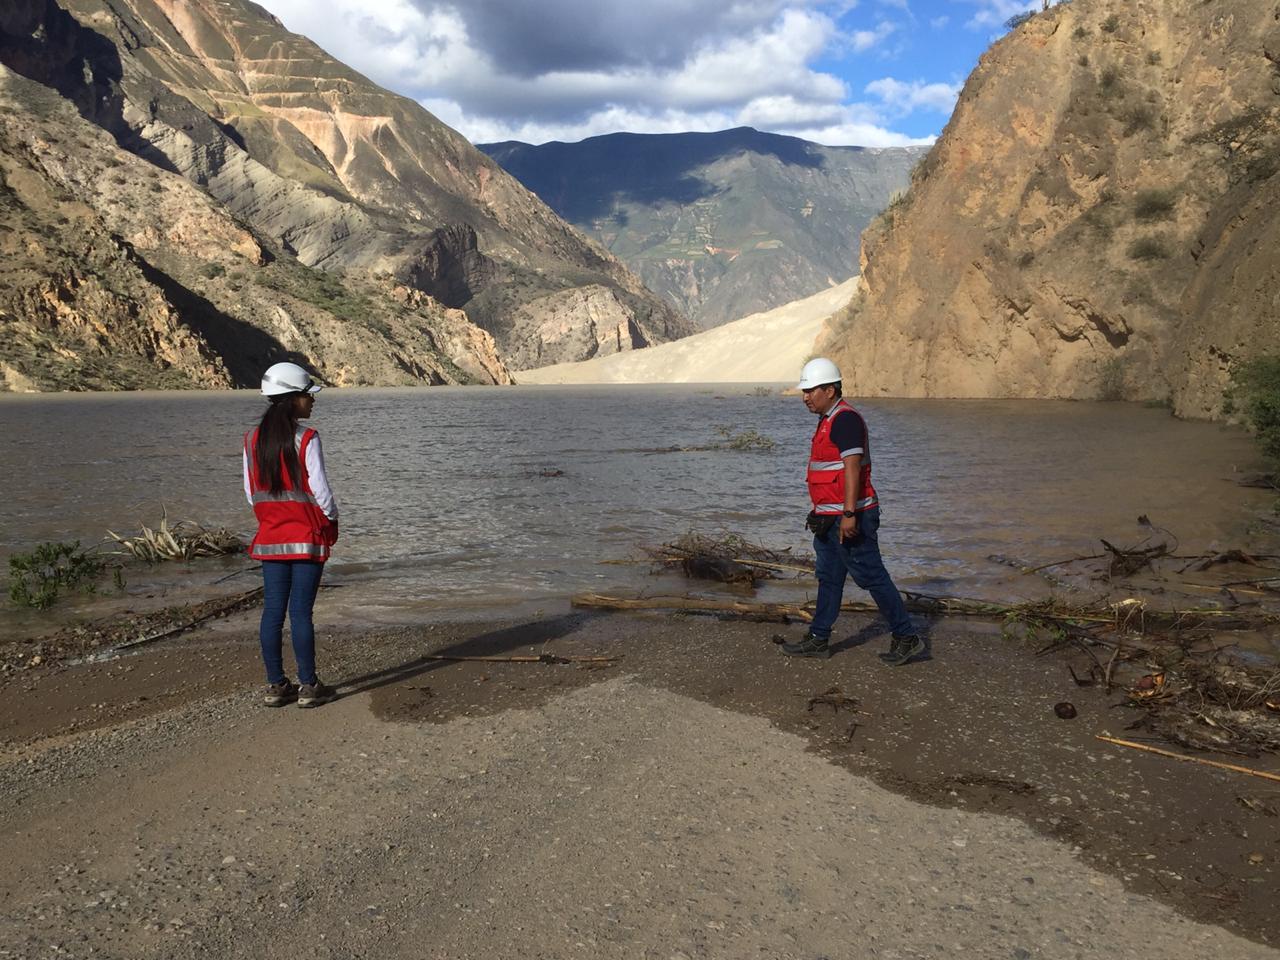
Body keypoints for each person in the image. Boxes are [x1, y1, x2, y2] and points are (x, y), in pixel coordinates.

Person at [781, 358, 925, 665]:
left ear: (830, 390)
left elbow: (851, 468)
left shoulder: (845, 419)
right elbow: (826, 474)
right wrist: (820, 512)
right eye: (804, 390)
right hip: (829, 519)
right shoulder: (827, 420)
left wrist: (848, 515)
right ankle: (819, 638)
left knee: (872, 577)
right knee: (829, 578)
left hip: (850, 519)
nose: (805, 397)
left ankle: (907, 637)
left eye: (811, 390)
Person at [243, 362, 340, 707]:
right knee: (300, 613)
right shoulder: (307, 438)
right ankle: (309, 686)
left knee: (272, 612)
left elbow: (249, 491)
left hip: (269, 538)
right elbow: (322, 494)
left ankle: (275, 685)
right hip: (307, 537)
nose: (312, 402)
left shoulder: (252, 440)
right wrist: (332, 523)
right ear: (292, 399)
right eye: (307, 396)